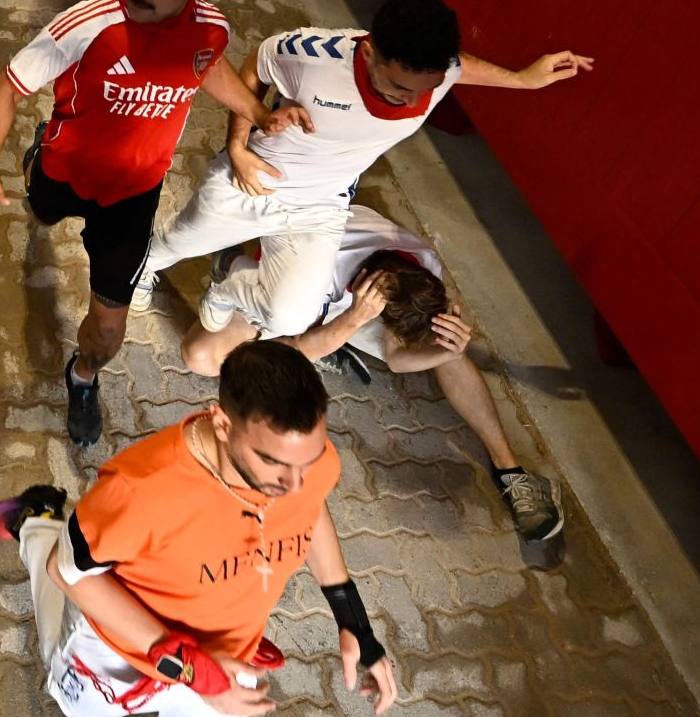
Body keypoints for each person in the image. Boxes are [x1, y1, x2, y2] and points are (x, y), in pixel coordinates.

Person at [0, 0, 277, 445]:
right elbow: (7, 88)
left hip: (132, 198)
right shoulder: (87, 24)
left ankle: (82, 378)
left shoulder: (212, 27)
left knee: (108, 331)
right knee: (40, 209)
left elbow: (207, 67)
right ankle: (39, 151)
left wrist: (259, 114)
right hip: (63, 172)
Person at [141, 0, 595, 342]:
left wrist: (521, 79)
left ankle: (226, 286)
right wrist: (238, 147)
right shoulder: (313, 56)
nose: (412, 100)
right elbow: (258, 64)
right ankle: (142, 273)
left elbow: (460, 67)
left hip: (320, 206)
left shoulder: (439, 71)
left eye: (426, 88)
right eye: (399, 86)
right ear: (369, 52)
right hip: (256, 176)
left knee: (290, 317)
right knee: (172, 244)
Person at [0, 340, 398, 717]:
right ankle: (39, 520)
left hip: (228, 662)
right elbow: (68, 573)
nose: (295, 485)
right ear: (222, 424)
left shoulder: (308, 465)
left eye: (307, 463)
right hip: (121, 652)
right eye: (273, 463)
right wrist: (191, 669)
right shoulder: (138, 491)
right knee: (74, 702)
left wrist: (354, 624)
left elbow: (310, 509)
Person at [183, 206, 566, 545]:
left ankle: (511, 471)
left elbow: (398, 358)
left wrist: (447, 348)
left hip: (352, 300)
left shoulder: (420, 267)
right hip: (296, 287)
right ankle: (233, 267)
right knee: (201, 356)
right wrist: (350, 321)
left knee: (445, 347)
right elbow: (293, 355)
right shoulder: (317, 272)